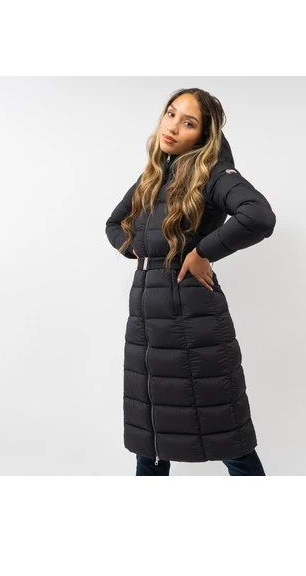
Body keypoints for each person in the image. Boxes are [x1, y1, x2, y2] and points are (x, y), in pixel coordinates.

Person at [105, 87, 276, 476]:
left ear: (203, 134)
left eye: (188, 122)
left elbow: (258, 216)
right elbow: (114, 223)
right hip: (147, 327)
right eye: (171, 114)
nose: (173, 126)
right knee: (149, 442)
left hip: (193, 323)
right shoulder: (153, 175)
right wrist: (136, 249)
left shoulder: (213, 173)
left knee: (227, 438)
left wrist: (202, 252)